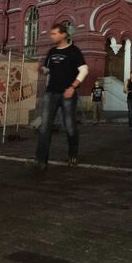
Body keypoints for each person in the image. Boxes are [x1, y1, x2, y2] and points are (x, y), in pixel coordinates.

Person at [29, 23, 88, 170]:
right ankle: (40, 160)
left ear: (63, 34)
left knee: (69, 126)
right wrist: (41, 69)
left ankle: (73, 155)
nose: (52, 36)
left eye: (54, 33)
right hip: (51, 93)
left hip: (68, 93)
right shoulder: (51, 52)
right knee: (44, 127)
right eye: (51, 34)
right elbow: (48, 71)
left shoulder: (74, 51)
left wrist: (73, 87)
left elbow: (84, 70)